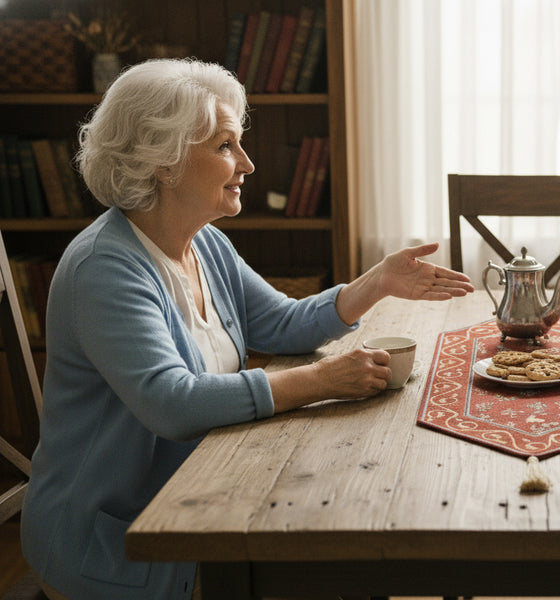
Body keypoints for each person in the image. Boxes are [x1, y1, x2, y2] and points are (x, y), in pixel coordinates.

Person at [20, 58, 474, 600]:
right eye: (225, 146)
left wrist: (376, 282)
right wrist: (321, 380)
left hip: (202, 500)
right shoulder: (104, 267)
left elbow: (281, 323)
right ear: (163, 162)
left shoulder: (205, 242)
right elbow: (172, 403)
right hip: (114, 545)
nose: (248, 164)